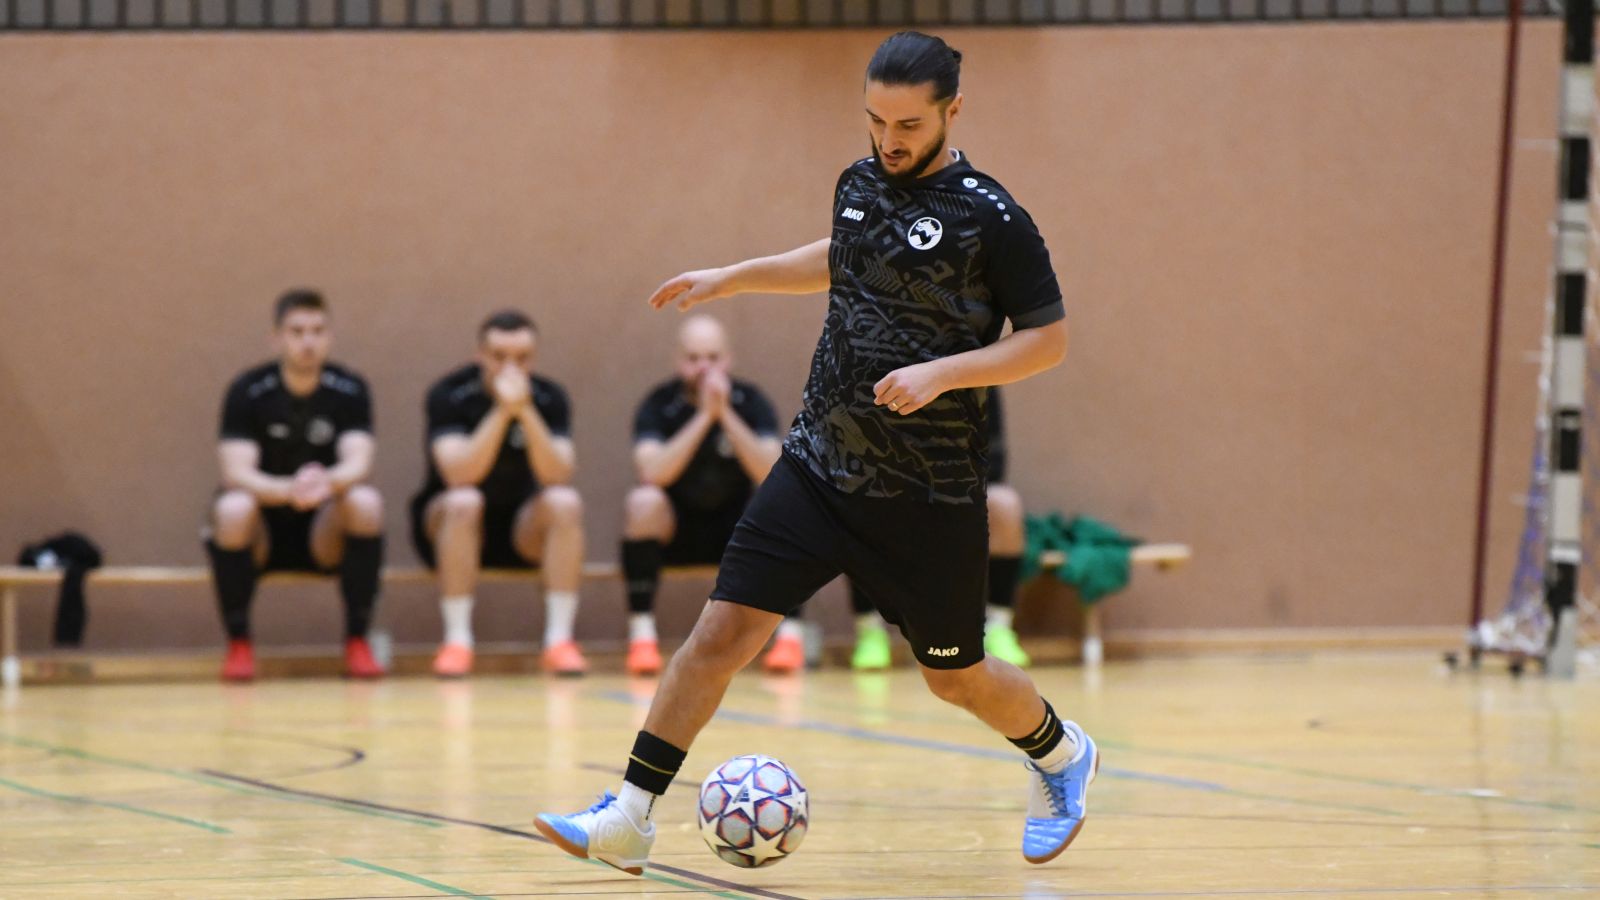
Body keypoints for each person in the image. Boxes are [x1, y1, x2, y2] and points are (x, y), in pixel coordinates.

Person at [536, 31, 1095, 872]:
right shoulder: (859, 183)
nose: (888, 140)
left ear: (954, 111)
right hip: (817, 467)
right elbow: (840, 259)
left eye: (908, 125)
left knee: (956, 676)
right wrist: (734, 276)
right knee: (720, 634)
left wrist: (942, 374)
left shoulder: (993, 217)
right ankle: (629, 816)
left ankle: (1061, 755)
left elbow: (1048, 341)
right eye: (875, 120)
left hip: (928, 491)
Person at [206, 289, 385, 682]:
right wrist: (289, 489)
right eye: (297, 331)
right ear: (276, 338)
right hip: (264, 532)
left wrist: (326, 483)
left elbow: (359, 462)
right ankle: (239, 644)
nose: (308, 342)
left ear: (330, 337)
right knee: (232, 507)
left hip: (322, 531)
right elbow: (235, 472)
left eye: (318, 331)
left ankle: (358, 641)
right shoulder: (248, 391)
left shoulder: (349, 389)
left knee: (365, 502)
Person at [409, 310, 587, 677]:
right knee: (464, 500)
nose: (510, 368)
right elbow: (459, 473)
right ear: (480, 355)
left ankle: (559, 640)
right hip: (452, 527)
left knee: (565, 502)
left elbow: (558, 473)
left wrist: (525, 411)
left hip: (521, 529)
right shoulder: (450, 395)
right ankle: (457, 640)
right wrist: (503, 413)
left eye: (522, 358)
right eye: (499, 357)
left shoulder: (549, 397)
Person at [620, 314, 782, 676]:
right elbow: (652, 472)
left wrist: (725, 415)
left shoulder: (751, 401)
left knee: (785, 505)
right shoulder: (659, 404)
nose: (704, 368)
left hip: (737, 534)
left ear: (728, 359)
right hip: (677, 530)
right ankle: (642, 638)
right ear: (678, 361)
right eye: (693, 358)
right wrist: (704, 417)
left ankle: (790, 638)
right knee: (643, 502)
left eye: (712, 357)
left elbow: (771, 473)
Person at [850, 386, 1031, 669]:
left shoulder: (979, 374)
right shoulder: (881, 370)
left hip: (959, 490)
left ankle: (998, 627)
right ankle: (870, 631)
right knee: (859, 504)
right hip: (894, 486)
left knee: (1004, 504)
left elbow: (992, 456)